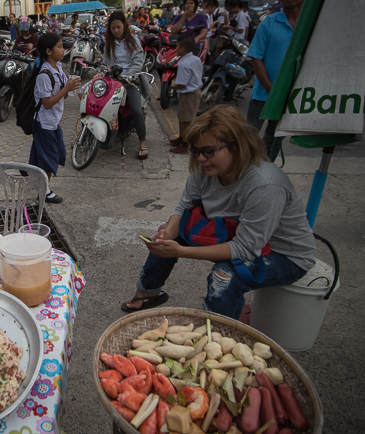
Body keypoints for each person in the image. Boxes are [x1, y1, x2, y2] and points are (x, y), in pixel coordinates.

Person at [123, 106, 316, 316]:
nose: (201, 158)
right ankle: (148, 292)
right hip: (232, 230)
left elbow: (245, 248)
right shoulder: (203, 168)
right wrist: (168, 234)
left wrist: (181, 251)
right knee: (163, 239)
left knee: (225, 274)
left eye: (208, 151)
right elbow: (184, 206)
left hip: (282, 254)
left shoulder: (265, 185)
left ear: (237, 146)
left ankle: (217, 337)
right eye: (196, 151)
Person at [247, 0, 310, 160]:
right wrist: (270, 89)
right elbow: (255, 58)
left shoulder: (310, 25)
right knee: (248, 135)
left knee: (274, 137)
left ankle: (265, 172)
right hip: (263, 94)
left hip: (292, 95)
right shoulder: (269, 23)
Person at [29, 32, 82, 204]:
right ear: (49, 51)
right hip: (44, 124)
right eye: (59, 46)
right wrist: (65, 90)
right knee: (49, 159)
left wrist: (69, 87)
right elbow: (47, 103)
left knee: (54, 154)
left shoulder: (58, 69)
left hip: (53, 122)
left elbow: (61, 96)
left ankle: (36, 181)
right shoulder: (44, 75)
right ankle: (44, 191)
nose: (63, 49)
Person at [99, 10, 149, 160]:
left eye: (118, 27)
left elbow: (138, 62)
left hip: (130, 81)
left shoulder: (133, 40)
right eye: (113, 28)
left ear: (124, 26)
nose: (116, 31)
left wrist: (130, 75)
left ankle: (142, 143)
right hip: (113, 81)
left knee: (136, 109)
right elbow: (105, 63)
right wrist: (101, 73)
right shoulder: (109, 43)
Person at [168, 34, 204, 154]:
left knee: (186, 121)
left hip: (189, 94)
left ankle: (185, 144)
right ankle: (181, 138)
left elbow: (182, 84)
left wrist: (172, 86)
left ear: (182, 49)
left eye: (177, 47)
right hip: (194, 91)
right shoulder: (196, 59)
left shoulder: (184, 64)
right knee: (182, 117)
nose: (176, 49)